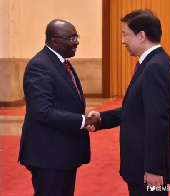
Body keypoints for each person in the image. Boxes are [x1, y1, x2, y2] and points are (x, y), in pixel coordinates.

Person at [87, 9, 170, 196]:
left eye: (125, 34)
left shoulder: (155, 67)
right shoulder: (153, 62)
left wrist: (153, 168)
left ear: (141, 36)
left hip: (147, 171)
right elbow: (138, 110)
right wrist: (102, 118)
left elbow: (158, 121)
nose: (123, 41)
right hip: (141, 166)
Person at [18, 19, 99, 196]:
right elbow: (43, 112)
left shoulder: (61, 62)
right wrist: (83, 120)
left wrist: (83, 117)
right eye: (71, 38)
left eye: (76, 36)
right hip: (48, 155)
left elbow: (63, 102)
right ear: (54, 41)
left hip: (62, 153)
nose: (76, 41)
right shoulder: (40, 65)